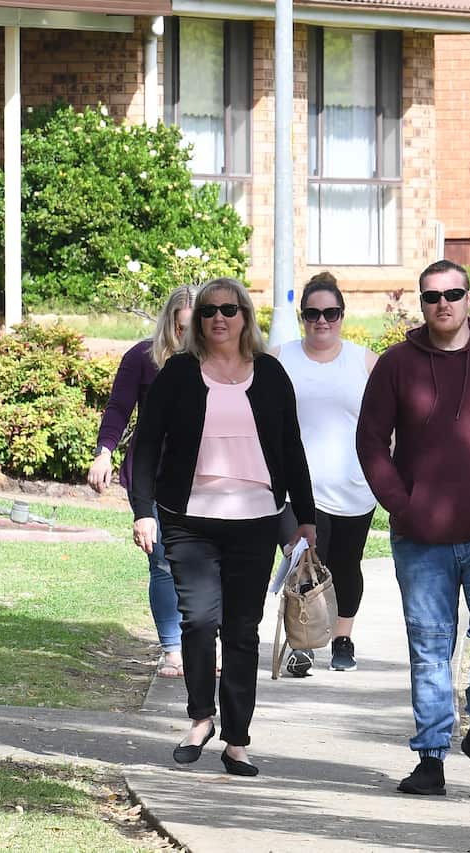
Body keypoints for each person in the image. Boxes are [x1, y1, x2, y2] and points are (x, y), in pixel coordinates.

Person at [357, 259, 470, 797]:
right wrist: (400, 504)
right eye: (432, 296)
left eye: (453, 293)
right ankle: (431, 757)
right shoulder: (396, 365)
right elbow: (371, 442)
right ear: (422, 303)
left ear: (468, 299)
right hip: (421, 537)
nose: (443, 303)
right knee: (430, 643)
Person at [130, 277, 316, 777]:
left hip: (257, 519)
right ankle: (200, 718)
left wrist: (306, 519)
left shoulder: (272, 374)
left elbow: (292, 448)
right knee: (199, 621)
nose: (218, 318)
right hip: (188, 519)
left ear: (245, 317)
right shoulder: (178, 374)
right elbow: (146, 445)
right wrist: (142, 509)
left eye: (229, 310)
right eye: (210, 310)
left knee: (240, 630)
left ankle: (237, 740)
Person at [88, 286, 197, 678]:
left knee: (203, 566)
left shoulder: (217, 361)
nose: (186, 337)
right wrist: (105, 451)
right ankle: (172, 648)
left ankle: (203, 644)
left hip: (200, 479)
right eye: (180, 328)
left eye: (193, 328)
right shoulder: (143, 358)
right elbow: (119, 408)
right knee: (164, 563)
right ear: (169, 323)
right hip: (151, 476)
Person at [273, 272, 378, 675]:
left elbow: (390, 422)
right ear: (302, 317)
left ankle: (342, 637)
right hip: (294, 490)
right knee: (303, 563)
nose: (322, 321)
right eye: (312, 314)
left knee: (346, 565)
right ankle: (302, 643)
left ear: (342, 315)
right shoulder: (280, 358)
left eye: (330, 313)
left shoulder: (365, 361)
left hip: (352, 487)